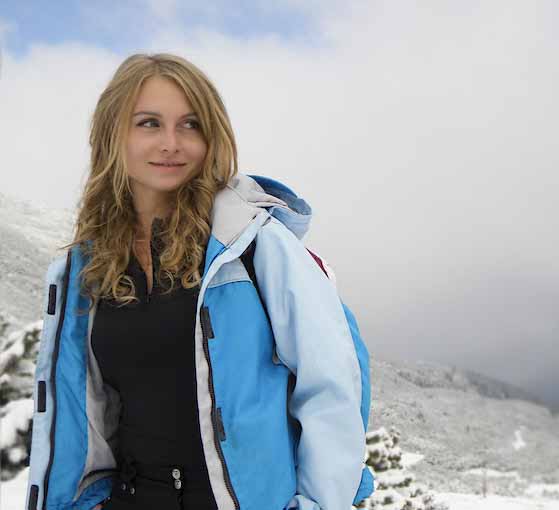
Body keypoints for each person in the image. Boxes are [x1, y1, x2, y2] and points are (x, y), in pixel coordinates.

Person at [25, 53, 370, 510]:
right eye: (149, 123)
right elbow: (85, 409)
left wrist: (318, 503)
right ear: (113, 133)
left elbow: (332, 382)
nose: (171, 143)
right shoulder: (87, 265)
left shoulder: (249, 245)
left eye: (191, 125)